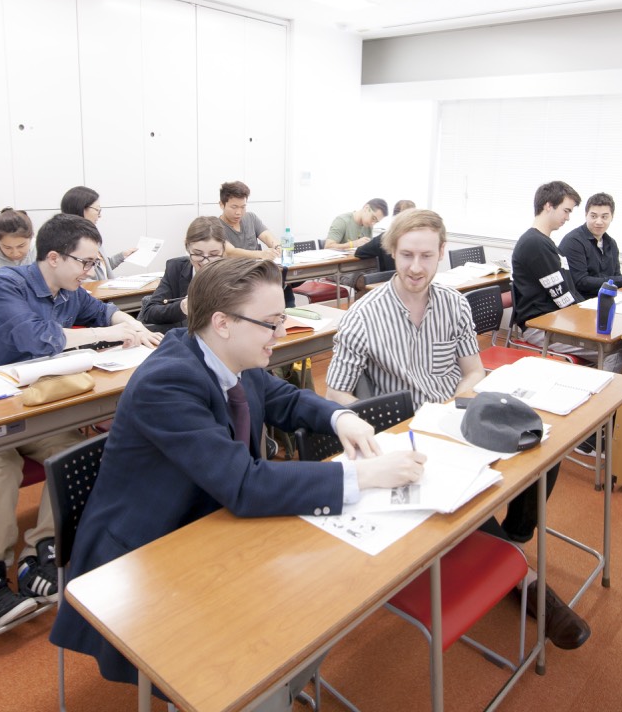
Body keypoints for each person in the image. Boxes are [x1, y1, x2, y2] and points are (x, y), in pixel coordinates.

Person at [51, 258, 425, 703]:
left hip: (209, 519)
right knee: (277, 623)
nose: (281, 334)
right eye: (270, 323)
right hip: (144, 552)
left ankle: (279, 684)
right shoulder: (168, 381)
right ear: (222, 323)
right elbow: (245, 486)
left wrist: (341, 415)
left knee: (323, 593)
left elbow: (284, 398)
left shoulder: (229, 356)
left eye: (281, 319)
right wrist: (361, 474)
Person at [326, 209, 591, 650]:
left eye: (426, 255)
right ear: (392, 251)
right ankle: (525, 580)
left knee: (540, 446)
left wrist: (455, 405)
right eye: (406, 254)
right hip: (407, 432)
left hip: (454, 417)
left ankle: (511, 542)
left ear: (441, 254)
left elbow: (473, 371)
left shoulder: (452, 303)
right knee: (466, 490)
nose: (415, 266)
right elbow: (337, 395)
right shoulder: (363, 316)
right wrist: (383, 433)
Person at [0, 214, 163, 625]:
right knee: (0, 469)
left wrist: (136, 328)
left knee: (72, 452)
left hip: (32, 404)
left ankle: (42, 551)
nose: (89, 272)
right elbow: (39, 337)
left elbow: (105, 311)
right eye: (84, 263)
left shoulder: (70, 291)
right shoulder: (6, 285)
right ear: (53, 257)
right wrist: (109, 337)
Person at [512, 181, 610, 367]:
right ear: (549, 206)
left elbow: (567, 289)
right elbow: (562, 298)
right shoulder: (535, 244)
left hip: (555, 321)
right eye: (566, 211)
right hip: (542, 327)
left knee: (613, 344)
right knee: (612, 351)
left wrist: (589, 311)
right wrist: (588, 318)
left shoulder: (546, 243)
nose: (568, 217)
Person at [137, 216, 228, 333]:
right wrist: (181, 307)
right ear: (187, 246)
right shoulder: (176, 268)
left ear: (223, 250)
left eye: (214, 254)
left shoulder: (232, 276)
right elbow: (150, 312)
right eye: (197, 253)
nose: (205, 261)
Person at [559, 192, 622, 297]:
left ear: (612, 217)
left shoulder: (611, 244)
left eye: (604, 217)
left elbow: (616, 276)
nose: (599, 222)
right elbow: (581, 282)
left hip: (607, 299)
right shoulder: (573, 241)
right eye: (594, 216)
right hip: (581, 303)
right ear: (586, 215)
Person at [60, 185, 136, 281]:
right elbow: (79, 278)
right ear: (81, 208)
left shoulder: (91, 235)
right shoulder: (67, 240)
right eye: (97, 210)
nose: (99, 215)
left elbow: (101, 269)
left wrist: (122, 256)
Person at [217, 180, 281, 260]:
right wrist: (262, 254)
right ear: (222, 205)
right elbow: (230, 252)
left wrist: (277, 247)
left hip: (257, 269)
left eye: (243, 207)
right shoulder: (215, 227)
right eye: (234, 207)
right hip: (234, 271)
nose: (239, 212)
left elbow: (267, 236)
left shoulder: (251, 217)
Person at [356, 199, 416, 273]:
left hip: (390, 281)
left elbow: (359, 252)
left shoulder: (384, 238)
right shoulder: (421, 239)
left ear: (394, 217)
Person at [324, 199, 388, 251]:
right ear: (366, 208)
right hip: (341, 264)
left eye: (376, 222)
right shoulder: (342, 221)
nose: (373, 224)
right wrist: (353, 244)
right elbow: (328, 247)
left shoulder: (368, 226)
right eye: (373, 218)